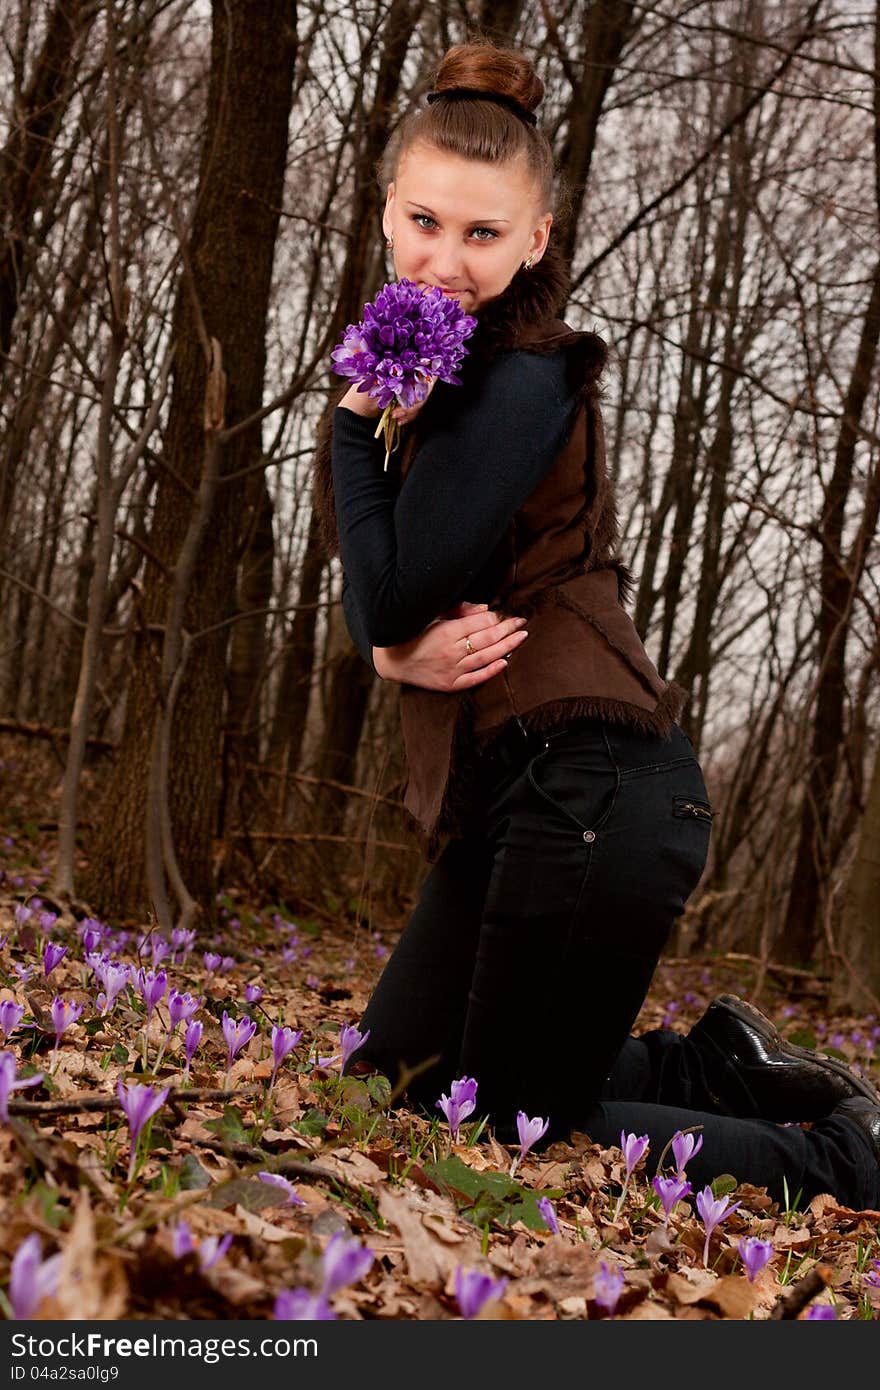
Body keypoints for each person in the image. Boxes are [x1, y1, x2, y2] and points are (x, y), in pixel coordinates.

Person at [313, 38, 880, 1211]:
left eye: (483, 235)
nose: (446, 260)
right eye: (423, 222)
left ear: (537, 238)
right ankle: (713, 1065)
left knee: (519, 1125)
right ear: (385, 214)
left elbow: (394, 594)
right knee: (400, 1080)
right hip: (519, 789)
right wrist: (386, 631)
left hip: (597, 792)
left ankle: (852, 1158)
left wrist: (345, 428)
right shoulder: (450, 376)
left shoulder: (524, 373)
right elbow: (394, 603)